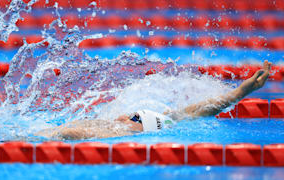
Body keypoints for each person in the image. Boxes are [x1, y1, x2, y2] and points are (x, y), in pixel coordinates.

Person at [37, 60, 272, 140]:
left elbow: (66, 134)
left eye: (134, 117)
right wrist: (240, 92)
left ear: (139, 127)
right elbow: (196, 111)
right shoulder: (145, 125)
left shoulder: (118, 131)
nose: (124, 115)